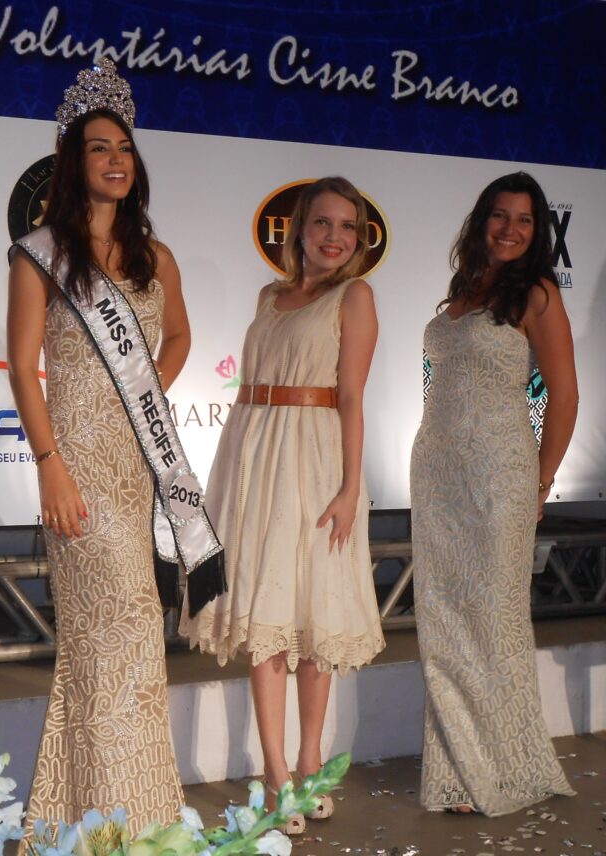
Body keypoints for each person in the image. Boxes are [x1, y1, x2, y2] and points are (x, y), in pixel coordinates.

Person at [6, 59, 223, 837]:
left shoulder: (153, 256)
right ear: (74, 163)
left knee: (126, 640)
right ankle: (120, 822)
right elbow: (22, 368)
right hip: (78, 472)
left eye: (125, 148)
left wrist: (151, 387)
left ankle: (93, 817)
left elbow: (184, 332)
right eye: (100, 148)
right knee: (114, 631)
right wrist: (49, 465)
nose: (116, 160)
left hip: (138, 468)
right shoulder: (41, 254)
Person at [181, 177, 386, 833]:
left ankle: (309, 766)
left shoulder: (356, 297)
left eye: (347, 227)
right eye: (323, 223)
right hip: (255, 458)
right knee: (266, 618)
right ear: (298, 230)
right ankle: (273, 777)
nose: (335, 237)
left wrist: (353, 487)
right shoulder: (270, 297)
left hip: (318, 460)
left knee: (315, 623)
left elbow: (351, 397)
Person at [411, 171, 578, 815]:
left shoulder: (537, 295)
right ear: (482, 221)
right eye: (500, 216)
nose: (510, 229)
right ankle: (456, 768)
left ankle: (506, 767)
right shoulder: (461, 292)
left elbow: (562, 396)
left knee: (496, 623)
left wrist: (542, 478)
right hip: (437, 476)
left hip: (501, 477)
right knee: (446, 623)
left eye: (525, 220)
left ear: (538, 233)